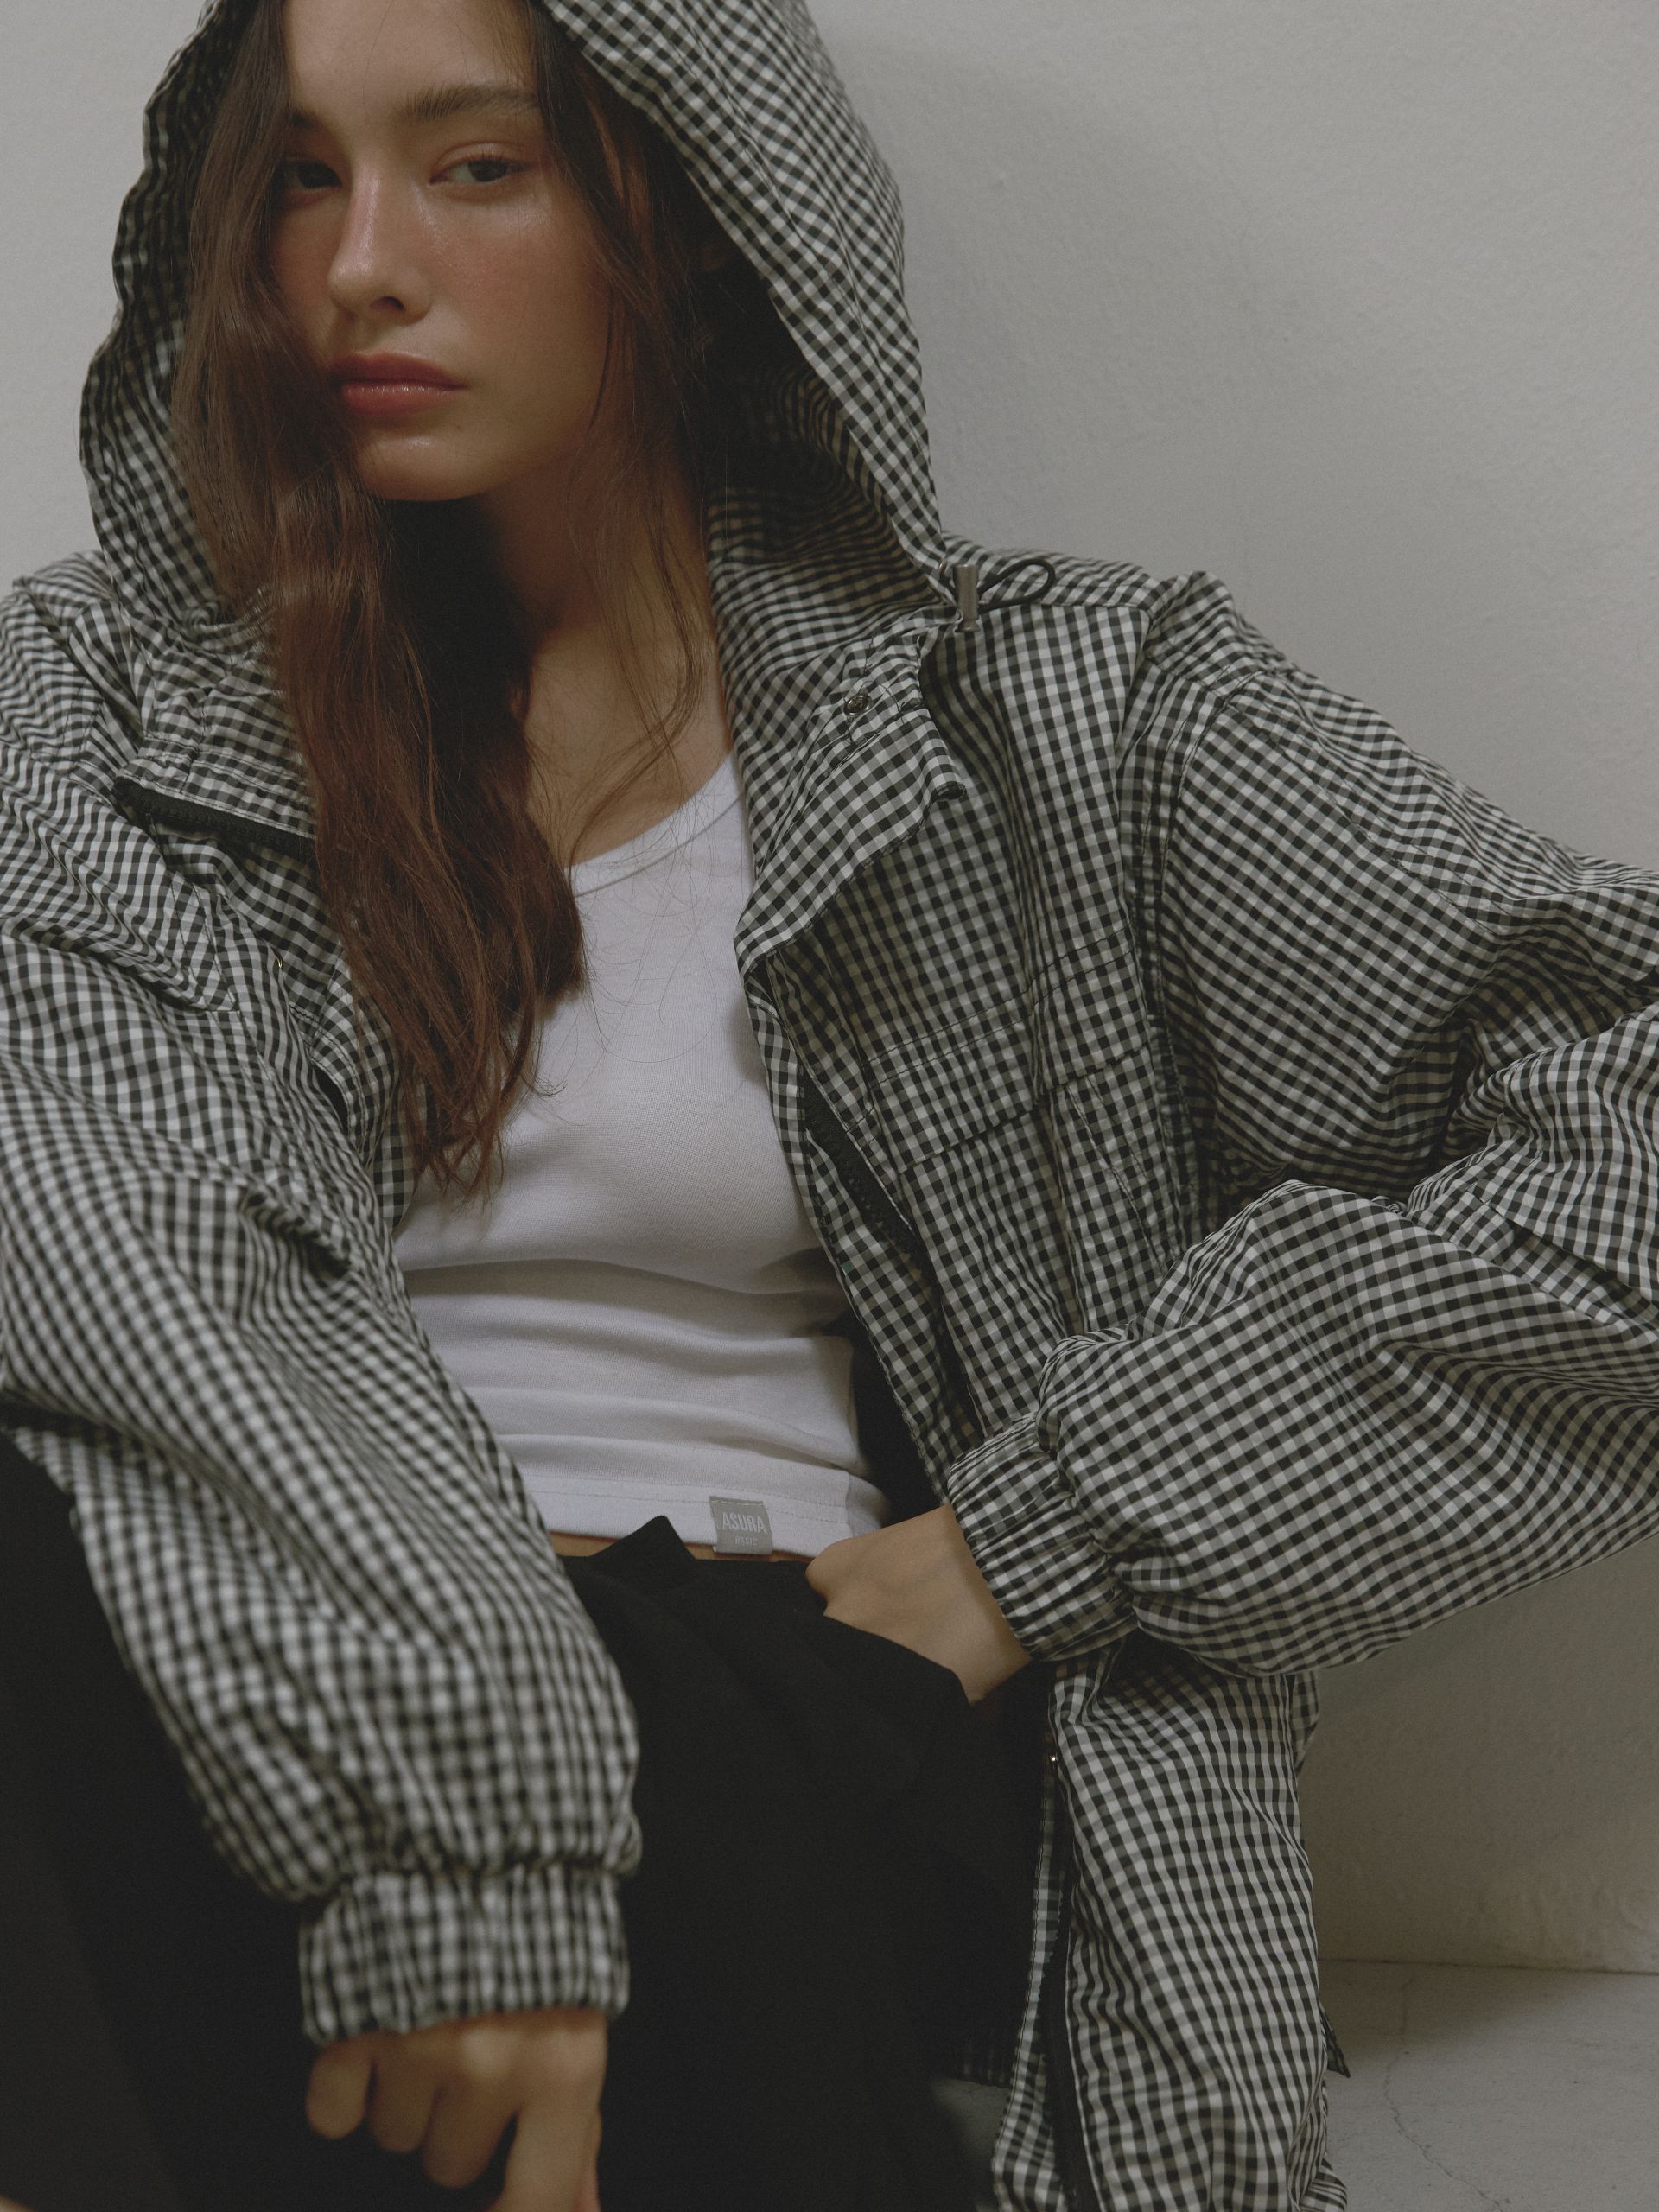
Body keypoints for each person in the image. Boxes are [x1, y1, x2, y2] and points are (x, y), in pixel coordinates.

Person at [0, 0, 1656, 2208]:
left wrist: (1033, 1539)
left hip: (792, 1687)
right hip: (252, 1667)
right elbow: (132, 1275)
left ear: (693, 207)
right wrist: (470, 1811)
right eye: (300, 176)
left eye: (477, 166)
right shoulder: (91, 708)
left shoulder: (1066, 713)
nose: (360, 265)